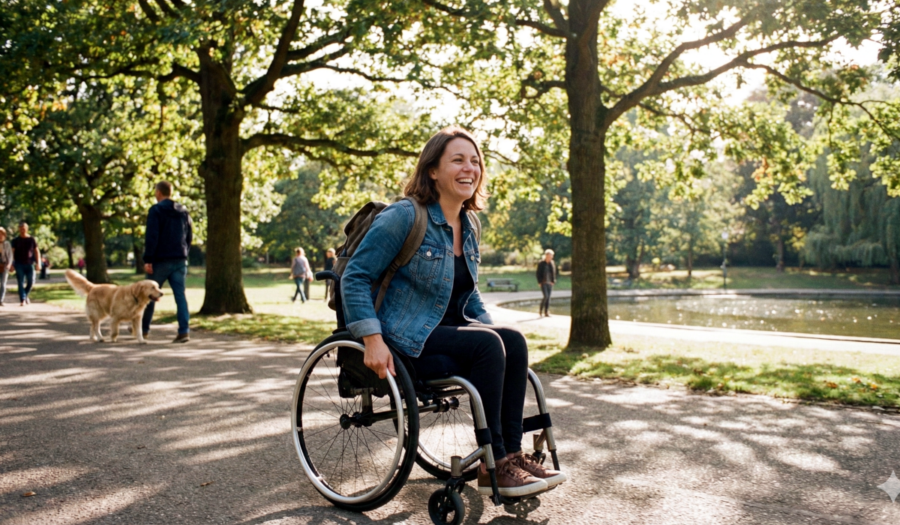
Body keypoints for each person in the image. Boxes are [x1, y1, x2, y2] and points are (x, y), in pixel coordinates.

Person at [342, 126, 566, 498]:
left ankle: (509, 454)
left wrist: (499, 338)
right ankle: (493, 462)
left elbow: (469, 295)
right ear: (433, 170)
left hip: (447, 334)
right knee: (489, 346)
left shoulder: (469, 224)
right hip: (404, 339)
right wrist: (372, 339)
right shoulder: (404, 217)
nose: (470, 168)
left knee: (510, 340)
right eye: (458, 160)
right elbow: (355, 277)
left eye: (475, 161)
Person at [142, 181, 193, 343]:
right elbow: (189, 234)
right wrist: (185, 252)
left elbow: (152, 236)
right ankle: (184, 330)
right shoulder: (183, 211)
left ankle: (143, 329)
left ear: (158, 193)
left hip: (161, 260)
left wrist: (148, 259)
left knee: (149, 294)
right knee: (180, 296)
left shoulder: (156, 210)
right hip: (180, 259)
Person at [10, 221, 40, 307]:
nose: (22, 230)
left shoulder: (31, 239)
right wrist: (12, 263)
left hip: (30, 264)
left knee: (31, 282)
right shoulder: (15, 240)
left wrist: (39, 263)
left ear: (27, 229)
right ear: (19, 229)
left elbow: (37, 251)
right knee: (20, 282)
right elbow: (12, 252)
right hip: (19, 264)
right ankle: (23, 299)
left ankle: (25, 295)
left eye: (24, 228)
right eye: (20, 228)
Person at [536, 249, 556, 317]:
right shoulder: (541, 263)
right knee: (546, 296)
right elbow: (538, 273)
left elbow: (553, 273)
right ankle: (540, 310)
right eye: (549, 256)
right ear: (546, 256)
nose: (550, 257)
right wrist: (539, 282)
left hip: (549, 282)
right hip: (543, 282)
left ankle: (546, 312)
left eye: (551, 256)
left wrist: (553, 281)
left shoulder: (552, 263)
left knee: (548, 297)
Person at [0, 227, 12, 306]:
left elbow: (10, 255)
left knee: (3, 284)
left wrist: (9, 264)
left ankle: (1, 300)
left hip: (4, 265)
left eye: (2, 234)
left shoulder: (7, 244)